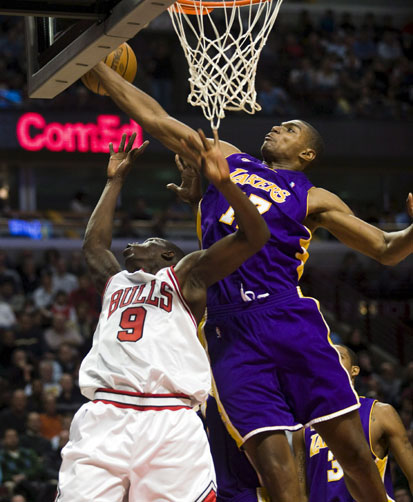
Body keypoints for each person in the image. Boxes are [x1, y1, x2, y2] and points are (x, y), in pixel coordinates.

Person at [90, 61, 413, 502]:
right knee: (275, 470)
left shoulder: (314, 197)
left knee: (354, 453)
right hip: (229, 328)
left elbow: (386, 247)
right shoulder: (227, 158)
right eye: (280, 124)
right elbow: (156, 117)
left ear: (307, 154)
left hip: (285, 314)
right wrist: (101, 69)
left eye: (291, 129)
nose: (277, 127)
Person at [55, 131, 269, 502]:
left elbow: (254, 235)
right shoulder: (116, 281)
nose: (130, 244)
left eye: (145, 242)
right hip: (105, 414)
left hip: (169, 416)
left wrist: (222, 186)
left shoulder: (185, 278)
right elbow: (93, 246)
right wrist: (114, 181)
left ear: (168, 255)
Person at [292, 344, 413, 501]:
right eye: (326, 356)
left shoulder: (380, 413)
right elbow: (301, 492)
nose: (331, 360)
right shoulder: (304, 425)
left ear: (354, 370)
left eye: (339, 356)